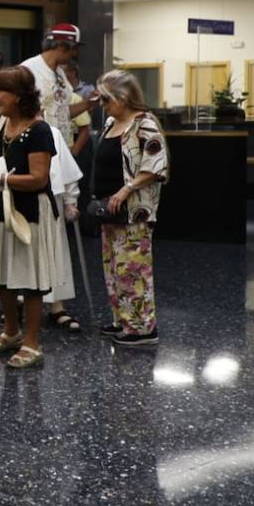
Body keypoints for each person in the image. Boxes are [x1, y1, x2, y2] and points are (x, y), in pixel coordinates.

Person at [0, 66, 58, 368]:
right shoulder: (1, 125)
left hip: (30, 211)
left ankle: (32, 343)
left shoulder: (39, 130)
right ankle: (11, 332)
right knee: (4, 276)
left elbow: (38, 178)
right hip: (2, 208)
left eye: (0, 92)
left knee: (31, 280)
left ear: (20, 96)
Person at [22, 24, 95, 324]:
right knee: (30, 232)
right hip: (34, 157)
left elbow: (64, 114)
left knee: (58, 231)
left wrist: (91, 102)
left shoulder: (61, 75)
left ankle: (56, 302)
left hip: (59, 156)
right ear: (63, 46)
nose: (76, 54)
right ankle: (21, 299)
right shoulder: (28, 72)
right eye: (74, 48)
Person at [93, 70, 169, 347]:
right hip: (110, 208)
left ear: (123, 98)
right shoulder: (113, 122)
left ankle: (142, 328)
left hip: (133, 209)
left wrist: (126, 189)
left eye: (105, 99)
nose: (102, 105)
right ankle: (122, 320)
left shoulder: (144, 124)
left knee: (133, 268)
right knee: (114, 267)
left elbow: (156, 165)